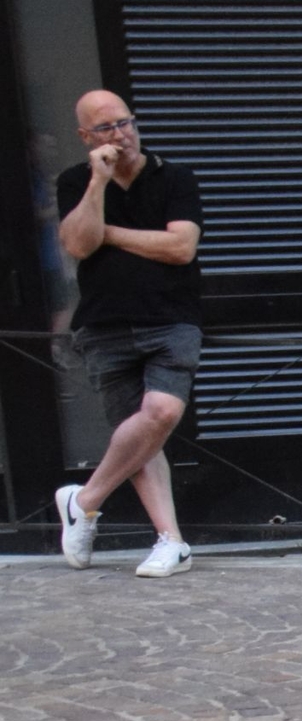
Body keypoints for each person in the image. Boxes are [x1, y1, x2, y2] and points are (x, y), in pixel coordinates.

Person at [53, 89, 203, 576]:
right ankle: (171, 541)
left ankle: (85, 498)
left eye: (126, 123)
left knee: (160, 411)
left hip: (171, 318)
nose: (121, 135)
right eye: (107, 128)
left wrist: (109, 235)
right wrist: (98, 182)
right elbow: (78, 243)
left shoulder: (174, 178)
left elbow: (181, 247)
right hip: (104, 324)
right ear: (86, 138)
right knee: (138, 442)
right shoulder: (76, 181)